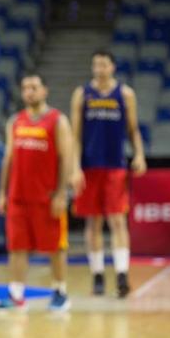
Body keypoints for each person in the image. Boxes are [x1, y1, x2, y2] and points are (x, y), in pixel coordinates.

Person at [70, 50, 147, 298]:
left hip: (115, 165)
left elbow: (134, 129)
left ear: (113, 67)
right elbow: (75, 135)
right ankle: (98, 275)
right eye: (96, 64)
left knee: (116, 220)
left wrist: (139, 154)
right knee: (93, 222)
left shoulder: (125, 94)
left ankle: (122, 275)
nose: (99, 68)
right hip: (89, 167)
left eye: (103, 64)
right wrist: (74, 167)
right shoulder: (82, 94)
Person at [0, 74, 72, 311]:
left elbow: (65, 158)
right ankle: (17, 294)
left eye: (34, 87)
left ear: (44, 91)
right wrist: (2, 192)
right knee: (17, 247)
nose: (29, 91)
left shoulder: (57, 120)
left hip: (46, 197)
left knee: (55, 248)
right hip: (18, 197)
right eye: (25, 87)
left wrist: (61, 193)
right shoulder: (15, 121)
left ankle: (60, 292)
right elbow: (8, 159)